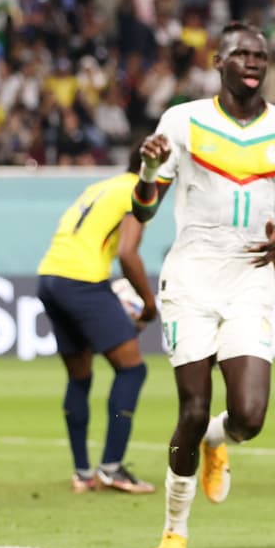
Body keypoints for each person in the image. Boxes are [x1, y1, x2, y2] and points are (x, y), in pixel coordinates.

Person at [141, 21, 275, 548]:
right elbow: (145, 207)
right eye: (240, 53)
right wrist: (147, 165)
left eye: (260, 55)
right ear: (217, 61)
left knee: (250, 415)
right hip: (191, 273)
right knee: (191, 408)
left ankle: (222, 440)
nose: (252, 61)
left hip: (249, 275)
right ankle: (174, 531)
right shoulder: (183, 122)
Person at [35, 135, 170, 494]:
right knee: (132, 369)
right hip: (83, 281)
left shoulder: (103, 186)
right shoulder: (138, 194)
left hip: (50, 276)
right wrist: (149, 303)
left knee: (79, 376)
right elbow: (128, 253)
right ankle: (112, 468)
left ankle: (83, 473)